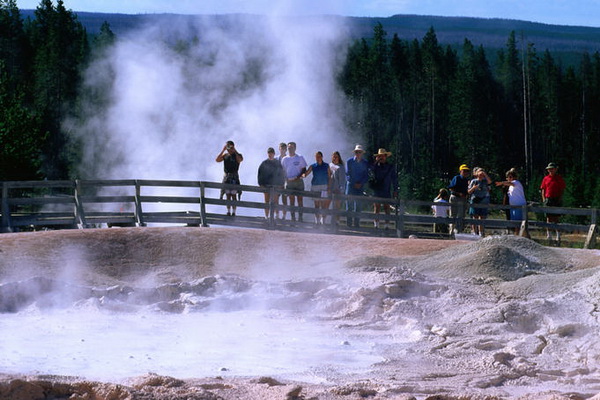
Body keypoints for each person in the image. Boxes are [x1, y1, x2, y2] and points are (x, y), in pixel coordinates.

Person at [370, 148, 398, 229]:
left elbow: (394, 179)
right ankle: (376, 224)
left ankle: (387, 224)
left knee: (387, 207)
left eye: (383, 156)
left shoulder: (390, 167)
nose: (381, 157)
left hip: (386, 189)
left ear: (386, 156)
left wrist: (395, 189)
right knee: (377, 207)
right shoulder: (375, 166)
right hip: (377, 189)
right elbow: (369, 171)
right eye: (380, 156)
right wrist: (376, 162)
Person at [281, 142, 307, 222]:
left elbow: (304, 169)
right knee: (291, 201)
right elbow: (283, 171)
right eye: (289, 148)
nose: (290, 149)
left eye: (291, 148)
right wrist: (286, 179)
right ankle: (293, 218)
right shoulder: (284, 159)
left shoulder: (300, 157)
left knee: (300, 200)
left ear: (295, 148)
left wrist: (297, 177)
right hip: (289, 182)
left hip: (298, 181)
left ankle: (300, 218)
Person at [495, 168, 527, 235]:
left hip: (519, 206)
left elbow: (510, 183)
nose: (509, 178)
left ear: (514, 177)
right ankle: (516, 235)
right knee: (514, 222)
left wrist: (501, 183)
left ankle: (519, 236)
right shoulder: (510, 187)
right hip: (513, 206)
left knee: (519, 223)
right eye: (508, 177)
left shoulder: (517, 183)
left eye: (510, 177)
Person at [303, 151, 331, 225]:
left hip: (324, 186)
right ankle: (317, 220)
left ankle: (323, 219)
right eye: (316, 157)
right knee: (316, 204)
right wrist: (301, 174)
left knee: (323, 204)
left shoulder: (326, 166)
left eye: (319, 156)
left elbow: (329, 177)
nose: (317, 158)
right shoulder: (313, 166)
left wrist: (329, 187)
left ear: (322, 157)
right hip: (315, 186)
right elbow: (306, 174)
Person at [216, 140, 243, 216]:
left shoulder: (237, 155)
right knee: (227, 195)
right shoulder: (225, 155)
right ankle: (228, 211)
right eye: (228, 147)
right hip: (227, 177)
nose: (229, 148)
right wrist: (223, 150)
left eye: (230, 146)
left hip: (234, 177)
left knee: (234, 195)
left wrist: (235, 150)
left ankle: (234, 212)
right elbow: (217, 160)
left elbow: (240, 160)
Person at [540, 162, 566, 241]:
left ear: (555, 169)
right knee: (548, 218)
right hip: (548, 199)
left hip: (556, 198)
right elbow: (543, 189)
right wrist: (544, 199)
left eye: (552, 169)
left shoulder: (559, 178)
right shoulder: (545, 178)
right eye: (549, 169)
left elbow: (562, 189)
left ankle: (558, 235)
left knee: (556, 218)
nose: (551, 170)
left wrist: (560, 199)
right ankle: (549, 235)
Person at [345, 144, 369, 227]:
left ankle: (356, 223)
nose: (358, 153)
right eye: (357, 152)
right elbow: (347, 174)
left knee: (358, 206)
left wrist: (361, 183)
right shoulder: (349, 161)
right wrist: (354, 183)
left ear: (362, 153)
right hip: (351, 185)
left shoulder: (365, 163)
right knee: (349, 205)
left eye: (359, 152)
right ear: (354, 153)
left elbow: (366, 175)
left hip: (360, 186)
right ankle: (349, 223)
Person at [257, 147, 285, 219]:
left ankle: (277, 216)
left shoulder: (278, 163)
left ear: (274, 154)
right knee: (266, 201)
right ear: (267, 154)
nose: (270, 154)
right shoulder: (264, 163)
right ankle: (266, 216)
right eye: (269, 153)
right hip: (266, 185)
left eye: (271, 153)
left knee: (276, 201)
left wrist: (281, 184)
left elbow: (282, 174)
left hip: (275, 185)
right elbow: (260, 174)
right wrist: (261, 184)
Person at [467, 168, 491, 236]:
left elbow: (489, 182)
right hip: (475, 200)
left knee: (482, 217)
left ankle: (481, 232)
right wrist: (474, 187)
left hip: (484, 200)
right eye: (479, 173)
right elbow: (469, 191)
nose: (481, 175)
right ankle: (474, 232)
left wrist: (485, 174)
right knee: (475, 216)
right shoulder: (473, 181)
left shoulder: (485, 181)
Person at [448, 164, 471, 233]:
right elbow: (451, 188)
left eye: (467, 171)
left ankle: (459, 231)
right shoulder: (457, 178)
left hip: (462, 199)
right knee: (453, 214)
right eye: (464, 171)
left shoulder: (466, 180)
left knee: (461, 215)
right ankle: (451, 231)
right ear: (460, 171)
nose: (466, 172)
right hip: (455, 197)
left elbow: (466, 190)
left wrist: (465, 195)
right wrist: (459, 193)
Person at [329, 151, 346, 224]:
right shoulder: (330, 166)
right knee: (330, 206)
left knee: (337, 206)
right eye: (333, 156)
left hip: (337, 190)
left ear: (339, 158)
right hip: (330, 189)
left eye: (336, 157)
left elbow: (342, 180)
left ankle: (337, 221)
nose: (335, 158)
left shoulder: (341, 167)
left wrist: (341, 190)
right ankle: (330, 221)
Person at [276, 142, 288, 219]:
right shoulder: (276, 158)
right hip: (277, 180)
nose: (282, 150)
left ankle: (284, 216)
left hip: (286, 180)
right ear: (279, 149)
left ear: (286, 149)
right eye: (281, 148)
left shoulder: (288, 158)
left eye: (284, 148)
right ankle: (277, 215)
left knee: (284, 199)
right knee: (276, 198)